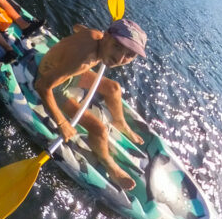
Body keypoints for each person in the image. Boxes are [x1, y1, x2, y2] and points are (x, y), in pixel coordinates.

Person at [34, 18, 148, 191]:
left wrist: (85, 41)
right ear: (106, 36)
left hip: (71, 73)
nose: (119, 58)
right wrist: (62, 123)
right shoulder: (83, 60)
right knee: (99, 129)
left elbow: (77, 27)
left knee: (114, 89)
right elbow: (42, 85)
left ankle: (120, 122)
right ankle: (108, 163)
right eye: (117, 46)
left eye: (130, 55)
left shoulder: (96, 35)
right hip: (55, 84)